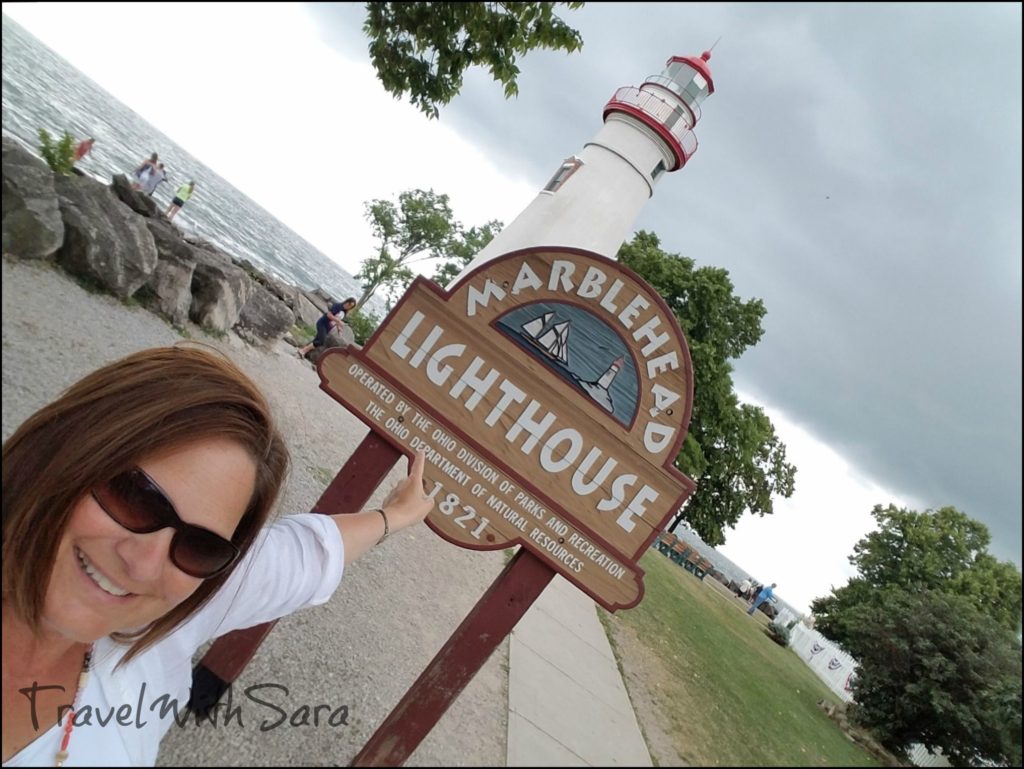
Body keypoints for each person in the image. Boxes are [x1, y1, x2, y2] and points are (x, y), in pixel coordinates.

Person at [1, 344, 433, 766]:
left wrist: (394, 515)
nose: (146, 564)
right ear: (62, 448)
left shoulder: (182, 601)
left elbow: (308, 554)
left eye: (200, 545)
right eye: (134, 498)